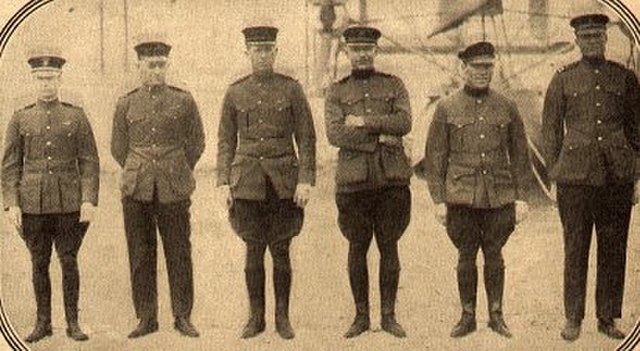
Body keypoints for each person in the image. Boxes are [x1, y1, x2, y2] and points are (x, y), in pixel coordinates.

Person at [541, 13, 640, 342]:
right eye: (586, 37)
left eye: (597, 36)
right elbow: (551, 131)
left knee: (614, 247)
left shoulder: (624, 78)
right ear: (577, 41)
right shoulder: (563, 79)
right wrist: (555, 174)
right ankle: (573, 317)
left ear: (606, 39)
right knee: (575, 248)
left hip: (616, 177)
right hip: (574, 179)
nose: (592, 42)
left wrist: (636, 175)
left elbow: (637, 130)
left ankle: (608, 317)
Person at [422, 41, 530, 338]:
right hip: (461, 196)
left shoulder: (507, 105)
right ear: (463, 68)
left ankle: (496, 314)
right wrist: (438, 200)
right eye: (477, 67)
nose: (483, 73)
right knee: (466, 255)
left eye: (488, 67)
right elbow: (435, 157)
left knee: (495, 254)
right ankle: (467, 315)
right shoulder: (446, 107)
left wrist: (521, 198)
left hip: (499, 195)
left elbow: (520, 155)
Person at [216, 25, 316, 340]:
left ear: (275, 52)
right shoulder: (235, 92)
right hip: (247, 182)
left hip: (283, 182)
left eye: (267, 49)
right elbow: (224, 141)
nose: (262, 55)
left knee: (282, 249)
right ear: (247, 53)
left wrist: (305, 180)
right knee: (253, 249)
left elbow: (307, 138)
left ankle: (282, 318)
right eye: (256, 49)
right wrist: (222, 181)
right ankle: (255, 317)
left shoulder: (291, 90)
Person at [1, 46, 99, 342]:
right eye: (41, 78)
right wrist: (11, 204)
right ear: (33, 80)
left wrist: (88, 199)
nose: (46, 83)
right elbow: (9, 166)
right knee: (38, 263)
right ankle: (43, 323)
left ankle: (73, 323)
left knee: (69, 261)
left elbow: (89, 161)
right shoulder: (20, 117)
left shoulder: (76, 115)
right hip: (32, 204)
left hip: (70, 203)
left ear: (60, 79)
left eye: (52, 77)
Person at [110, 33, 205, 338]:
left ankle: (182, 316)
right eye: (151, 65)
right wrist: (139, 169)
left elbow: (197, 143)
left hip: (174, 187)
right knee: (140, 253)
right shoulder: (126, 103)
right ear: (139, 65)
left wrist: (176, 168)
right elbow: (118, 147)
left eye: (161, 65)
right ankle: (146, 317)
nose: (157, 71)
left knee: (179, 251)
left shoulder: (183, 100)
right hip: (136, 187)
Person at [325, 25, 412, 339]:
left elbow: (404, 122)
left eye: (368, 48)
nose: (362, 54)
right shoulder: (337, 90)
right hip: (353, 183)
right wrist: (382, 136)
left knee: (390, 246)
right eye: (356, 49)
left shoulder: (394, 84)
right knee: (357, 246)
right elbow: (334, 133)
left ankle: (388, 316)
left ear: (376, 51)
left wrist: (362, 123)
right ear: (347, 52)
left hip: (392, 180)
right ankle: (361, 316)